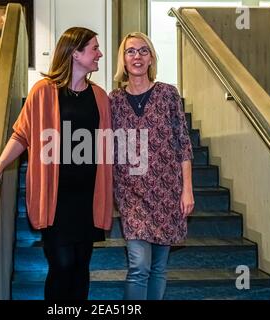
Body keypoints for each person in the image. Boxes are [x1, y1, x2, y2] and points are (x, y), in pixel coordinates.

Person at [0, 27, 113, 300]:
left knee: (81, 266)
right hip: (55, 199)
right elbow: (21, 134)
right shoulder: (43, 92)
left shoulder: (100, 97)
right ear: (75, 53)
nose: (100, 54)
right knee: (62, 265)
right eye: (94, 48)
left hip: (88, 198)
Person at [109, 32, 194, 300]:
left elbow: (183, 143)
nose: (137, 56)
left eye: (144, 51)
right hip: (130, 192)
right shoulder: (112, 100)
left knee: (158, 268)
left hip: (168, 191)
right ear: (123, 59)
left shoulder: (168, 94)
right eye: (131, 51)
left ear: (151, 57)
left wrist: (187, 189)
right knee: (139, 266)